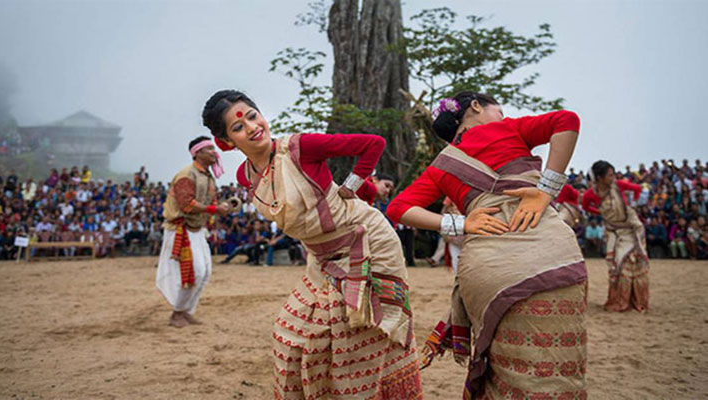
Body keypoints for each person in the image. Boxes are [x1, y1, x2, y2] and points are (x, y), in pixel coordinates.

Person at [202, 90, 422, 399]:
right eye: (238, 127)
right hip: (321, 257)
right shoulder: (245, 175)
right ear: (226, 142)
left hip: (367, 242)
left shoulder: (299, 147)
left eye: (252, 115)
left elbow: (373, 144)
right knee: (290, 334)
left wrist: (352, 185)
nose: (251, 127)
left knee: (357, 339)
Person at [387, 92, 587, 399]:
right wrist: (546, 189)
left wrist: (461, 224)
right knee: (557, 363)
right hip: (547, 251)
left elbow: (398, 207)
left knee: (503, 363)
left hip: (486, 267)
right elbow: (567, 120)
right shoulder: (508, 129)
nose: (502, 115)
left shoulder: (441, 165)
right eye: (499, 109)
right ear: (476, 106)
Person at [156, 136, 229, 328]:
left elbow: (209, 202)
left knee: (205, 272)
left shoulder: (207, 176)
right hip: (181, 229)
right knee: (194, 272)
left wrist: (219, 208)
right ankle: (177, 313)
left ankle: (187, 311)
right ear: (197, 153)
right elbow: (186, 205)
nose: (215, 152)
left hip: (197, 230)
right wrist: (215, 210)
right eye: (209, 149)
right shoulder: (187, 175)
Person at [583, 160, 649, 312]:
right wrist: (601, 213)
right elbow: (586, 206)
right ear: (599, 178)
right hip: (613, 231)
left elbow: (637, 189)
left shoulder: (618, 185)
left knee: (635, 263)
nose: (613, 178)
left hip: (631, 229)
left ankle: (637, 302)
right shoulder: (591, 194)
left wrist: (633, 205)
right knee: (617, 264)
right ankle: (619, 300)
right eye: (610, 175)